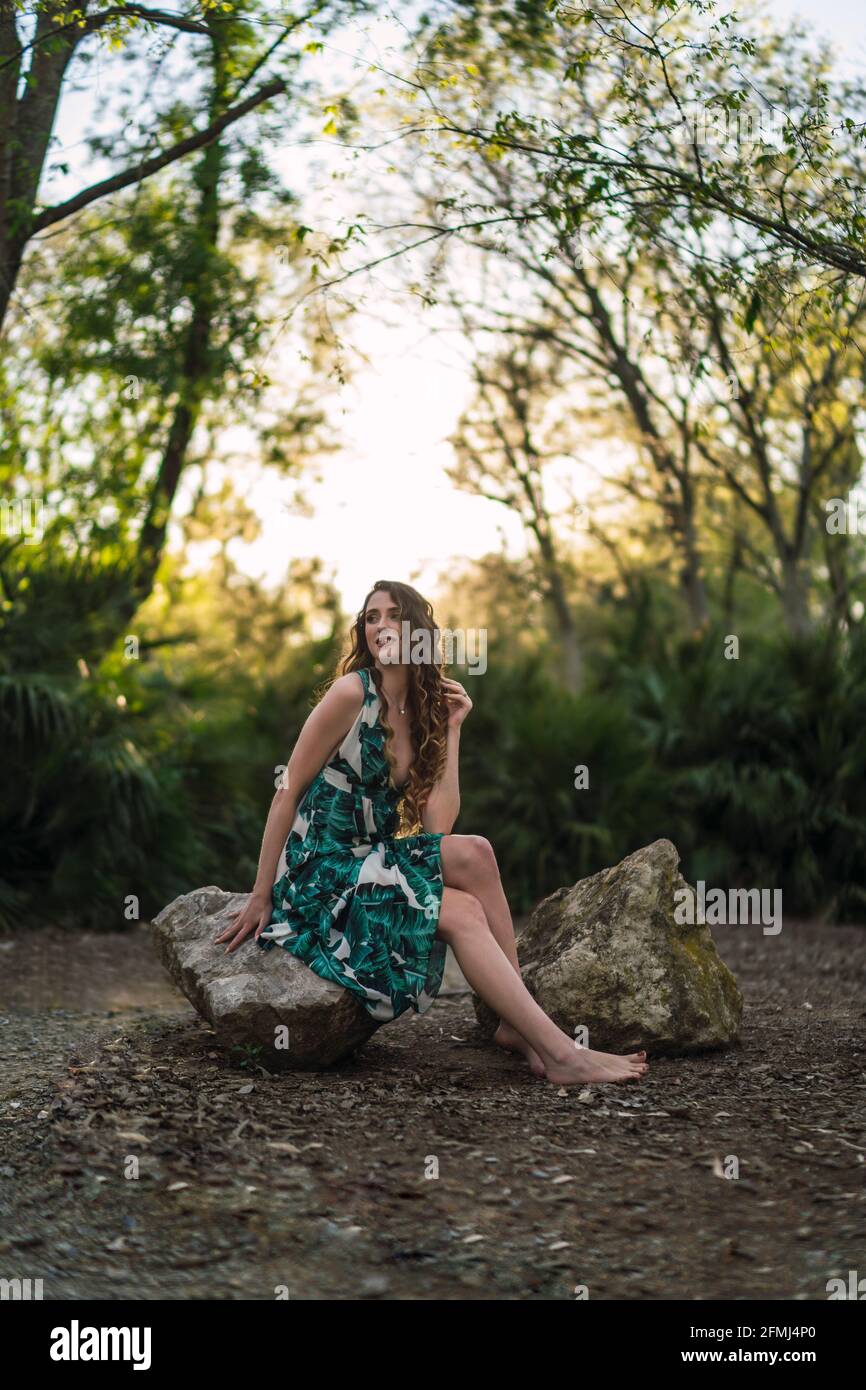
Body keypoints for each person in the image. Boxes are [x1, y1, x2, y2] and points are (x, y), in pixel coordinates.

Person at [215, 580, 649, 1086]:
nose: (380, 626)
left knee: (477, 853)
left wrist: (453, 728)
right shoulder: (351, 693)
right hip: (321, 871)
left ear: (418, 630)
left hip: (369, 858)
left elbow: (439, 829)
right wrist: (262, 892)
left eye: (393, 615)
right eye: (371, 617)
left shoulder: (423, 710)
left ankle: (516, 1024)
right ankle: (561, 1055)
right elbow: (286, 792)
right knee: (461, 912)